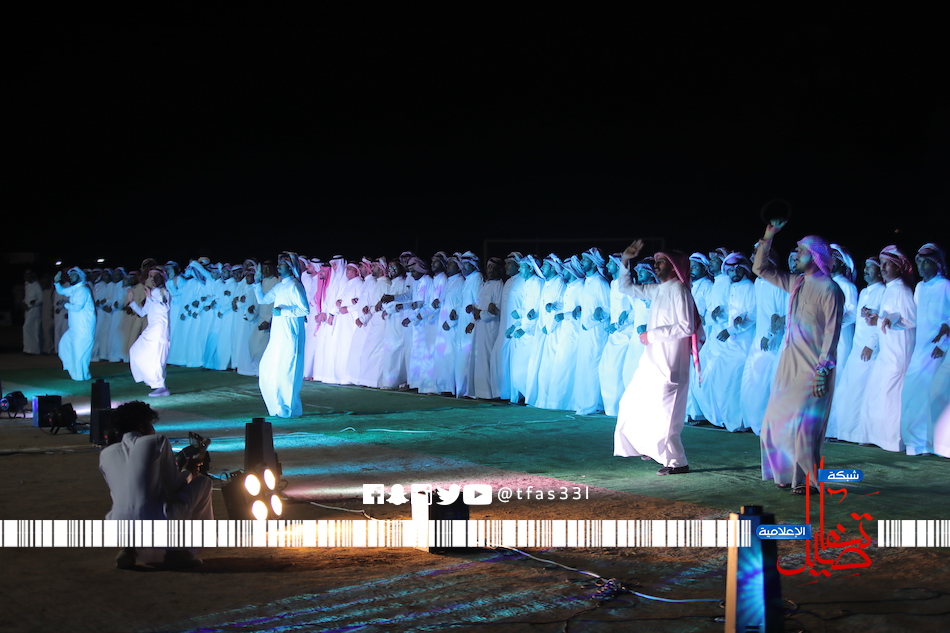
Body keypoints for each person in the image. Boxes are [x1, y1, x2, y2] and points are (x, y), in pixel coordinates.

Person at [753, 221, 844, 493]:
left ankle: (806, 481)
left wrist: (823, 370)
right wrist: (768, 236)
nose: (795, 256)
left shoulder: (830, 289)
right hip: (788, 364)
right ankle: (783, 473)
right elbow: (760, 269)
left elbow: (832, 334)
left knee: (804, 429)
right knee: (774, 421)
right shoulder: (797, 283)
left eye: (801, 252)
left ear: (816, 257)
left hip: (814, 368)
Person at [614, 241, 699, 475]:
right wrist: (625, 260)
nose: (656, 265)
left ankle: (677, 462)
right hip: (652, 361)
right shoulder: (658, 289)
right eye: (656, 262)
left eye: (661, 262)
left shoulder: (679, 290)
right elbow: (626, 287)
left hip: (670, 362)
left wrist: (651, 335)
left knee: (666, 414)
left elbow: (686, 326)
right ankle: (649, 448)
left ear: (673, 266)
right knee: (632, 402)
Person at [99, 401, 212, 569]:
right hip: (157, 524)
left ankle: (129, 550)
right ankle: (176, 551)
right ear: (142, 425)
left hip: (118, 526)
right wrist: (188, 472)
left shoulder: (105, 454)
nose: (153, 429)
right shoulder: (157, 441)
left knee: (133, 503)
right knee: (203, 482)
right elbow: (173, 486)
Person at [859, 245, 917, 452]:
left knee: (892, 396)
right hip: (886, 350)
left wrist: (883, 320)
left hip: (899, 351)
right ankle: (876, 437)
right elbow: (886, 318)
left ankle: (893, 440)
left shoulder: (902, 290)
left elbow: (911, 319)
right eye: (881, 264)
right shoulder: (890, 289)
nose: (882, 268)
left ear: (898, 267)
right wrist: (875, 318)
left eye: (887, 264)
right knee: (877, 392)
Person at [900, 243, 949, 455]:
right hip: (920, 349)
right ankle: (915, 444)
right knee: (911, 394)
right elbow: (914, 318)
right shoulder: (919, 287)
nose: (920, 265)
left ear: (936, 264)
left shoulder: (945, 286)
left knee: (931, 396)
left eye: (925, 261)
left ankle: (931, 444)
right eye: (918, 261)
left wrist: (943, 345)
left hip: (937, 351)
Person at [253, 252, 310, 417]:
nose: (278, 267)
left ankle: (289, 409)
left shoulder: (294, 285)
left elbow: (305, 310)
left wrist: (283, 312)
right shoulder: (280, 286)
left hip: (290, 334)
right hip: (278, 335)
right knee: (269, 367)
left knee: (288, 371)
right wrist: (257, 282)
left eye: (281, 264)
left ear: (290, 267)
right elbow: (263, 300)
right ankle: (278, 406)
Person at [127, 268, 172, 396]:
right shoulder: (152, 293)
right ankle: (152, 381)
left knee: (156, 358)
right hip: (151, 328)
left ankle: (161, 387)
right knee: (135, 350)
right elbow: (143, 312)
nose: (151, 279)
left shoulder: (164, 292)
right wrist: (132, 301)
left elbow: (164, 308)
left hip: (159, 329)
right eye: (150, 276)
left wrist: (150, 298)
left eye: (153, 276)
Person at [54, 267, 96, 381]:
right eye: (70, 275)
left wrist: (65, 304)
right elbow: (62, 291)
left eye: (74, 275)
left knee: (80, 352)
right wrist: (56, 282)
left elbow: (77, 307)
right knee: (65, 345)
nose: (71, 277)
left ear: (80, 276)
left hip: (84, 328)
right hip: (74, 328)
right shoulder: (75, 289)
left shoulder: (83, 290)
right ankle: (78, 373)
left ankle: (81, 375)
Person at [22, 269, 43, 354]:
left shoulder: (36, 285)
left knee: (29, 328)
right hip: (27, 311)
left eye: (29, 275)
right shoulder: (27, 285)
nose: (27, 277)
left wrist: (32, 303)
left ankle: (33, 350)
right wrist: (24, 302)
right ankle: (28, 349)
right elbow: (26, 297)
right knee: (28, 329)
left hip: (35, 310)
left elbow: (41, 299)